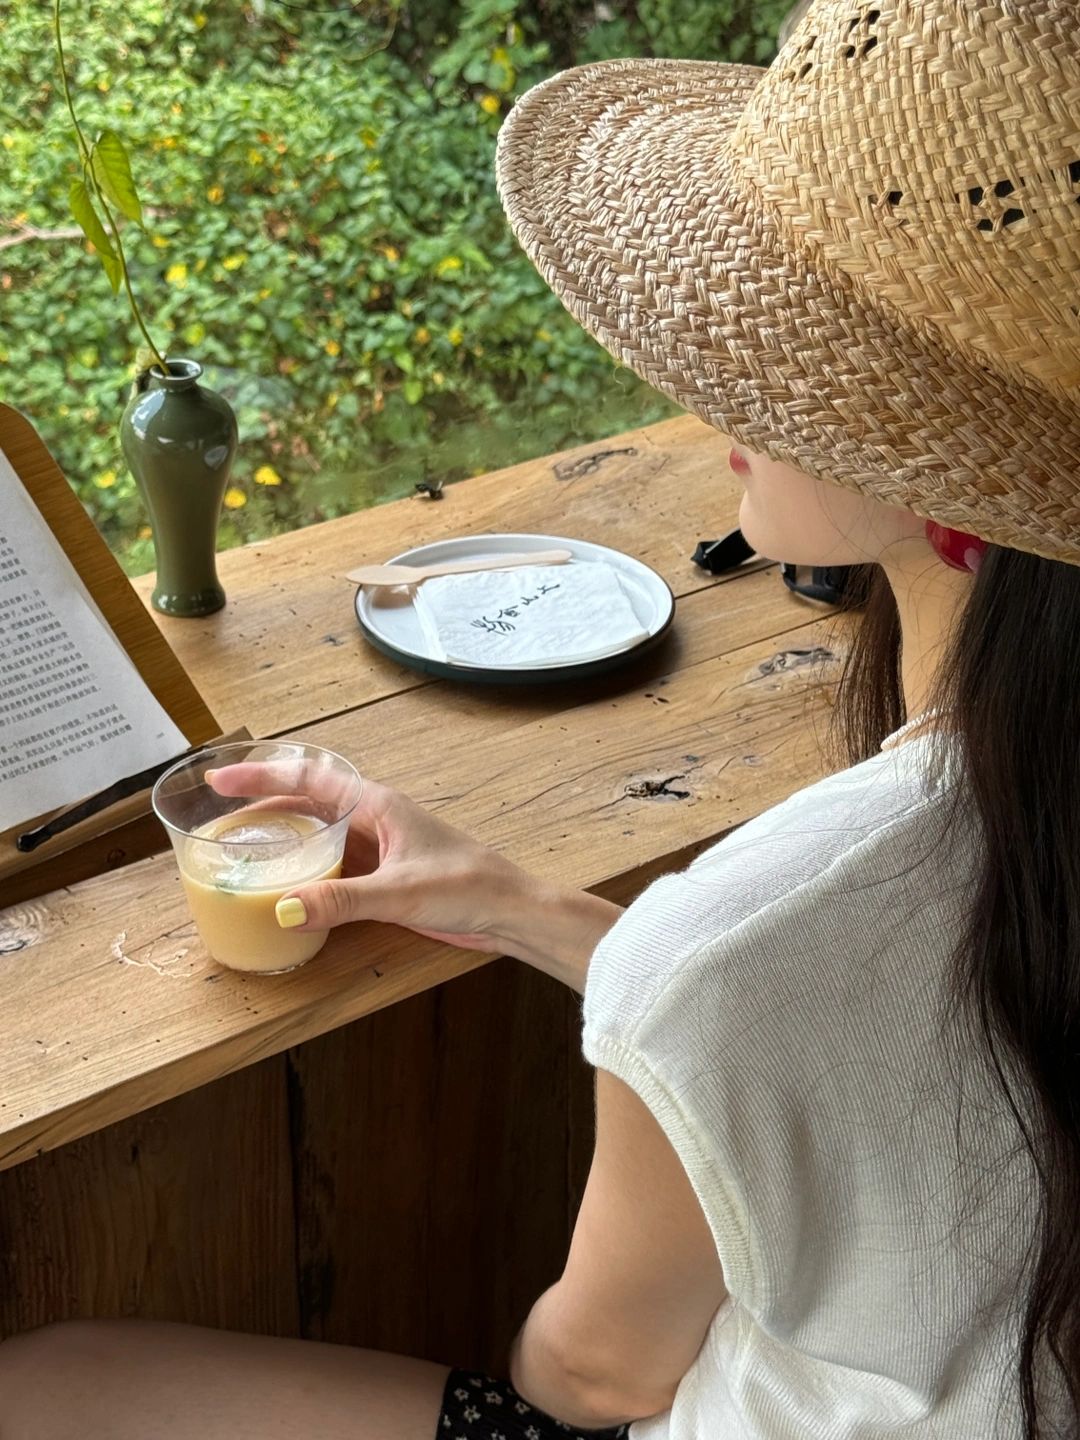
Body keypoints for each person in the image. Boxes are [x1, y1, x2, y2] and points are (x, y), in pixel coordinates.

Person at [3, 0, 1078, 1436]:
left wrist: (660, 991)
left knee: (48, 1384)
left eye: (801, 356)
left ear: (966, 479)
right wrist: (530, 907)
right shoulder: (986, 831)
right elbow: (877, 1036)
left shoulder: (765, 936)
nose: (704, 388)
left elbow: (590, 1374)